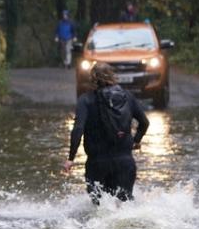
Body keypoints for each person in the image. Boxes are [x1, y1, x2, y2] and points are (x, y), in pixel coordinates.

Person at [63, 62, 149, 204]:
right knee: (125, 207)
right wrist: (136, 141)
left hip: (97, 164)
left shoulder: (85, 100)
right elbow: (144, 123)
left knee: (99, 209)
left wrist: (71, 158)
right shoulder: (127, 96)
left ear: (92, 79)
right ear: (113, 77)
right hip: (125, 163)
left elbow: (78, 129)